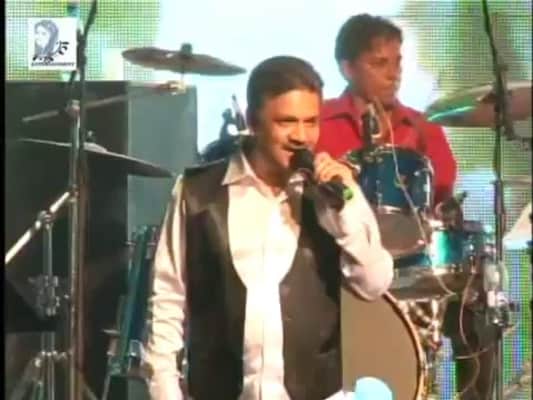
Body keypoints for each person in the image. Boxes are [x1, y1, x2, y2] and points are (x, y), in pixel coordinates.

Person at [142, 55, 394, 400]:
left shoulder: (334, 193)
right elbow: (167, 301)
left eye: (311, 122)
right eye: (286, 122)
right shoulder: (198, 192)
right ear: (253, 121)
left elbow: (374, 284)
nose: (301, 136)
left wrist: (345, 210)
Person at [316, 14, 496, 400]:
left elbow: (444, 196)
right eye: (380, 63)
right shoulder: (319, 122)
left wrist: (444, 214)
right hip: (338, 263)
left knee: (479, 302)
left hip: (412, 263)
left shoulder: (422, 127)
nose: (394, 73)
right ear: (347, 67)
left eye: (397, 61)